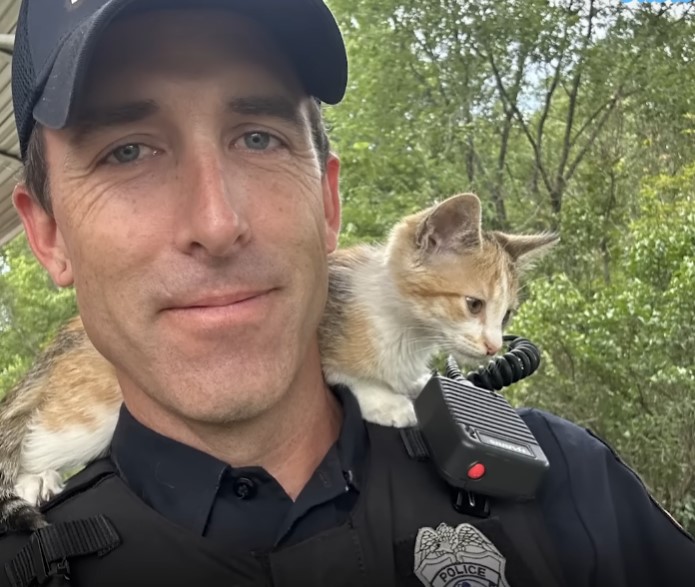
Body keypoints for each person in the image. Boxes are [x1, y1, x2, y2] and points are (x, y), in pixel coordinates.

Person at [0, 0, 693, 585]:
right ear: (50, 235)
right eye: (126, 150)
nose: (216, 223)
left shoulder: (566, 484)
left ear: (329, 202)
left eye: (259, 137)